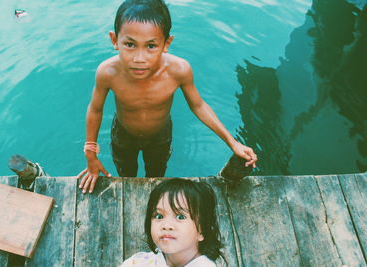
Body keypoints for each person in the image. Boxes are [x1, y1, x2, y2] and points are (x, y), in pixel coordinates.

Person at [77, 0, 258, 193]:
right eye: (130, 44)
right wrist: (91, 153)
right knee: (125, 175)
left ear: (166, 43)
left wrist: (233, 142)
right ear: (115, 40)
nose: (139, 58)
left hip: (160, 137)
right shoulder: (107, 72)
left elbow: (198, 105)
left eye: (151, 46)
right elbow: (95, 109)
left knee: (156, 175)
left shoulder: (178, 70)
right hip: (124, 135)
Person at [120, 178, 224, 267]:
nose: (166, 226)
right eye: (159, 216)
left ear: (202, 231)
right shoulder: (138, 263)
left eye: (180, 216)